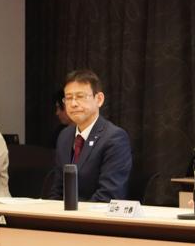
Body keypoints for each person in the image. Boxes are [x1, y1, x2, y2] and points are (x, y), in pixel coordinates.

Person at [48, 69, 132, 202]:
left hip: (96, 213)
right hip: (64, 213)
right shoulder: (65, 136)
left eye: (80, 96)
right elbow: (57, 190)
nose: (73, 104)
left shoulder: (114, 138)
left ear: (99, 99)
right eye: (68, 98)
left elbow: (109, 195)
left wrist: (75, 213)